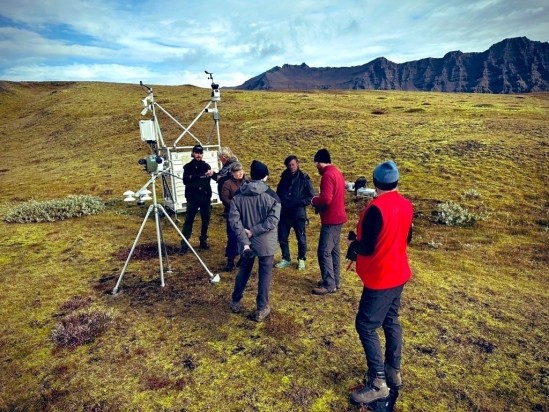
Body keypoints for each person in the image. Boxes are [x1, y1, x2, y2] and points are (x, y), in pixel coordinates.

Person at [347, 160, 413, 407]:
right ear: (395, 182)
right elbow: (407, 237)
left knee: (365, 324)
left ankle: (378, 383)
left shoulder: (376, 209)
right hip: (399, 273)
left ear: (375, 183)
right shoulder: (406, 205)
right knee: (391, 320)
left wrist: (354, 244)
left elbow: (369, 246)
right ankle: (393, 371)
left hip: (381, 277)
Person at [229, 160, 281, 322]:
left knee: (244, 270)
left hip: (247, 244)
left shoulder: (238, 195)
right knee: (265, 274)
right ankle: (261, 308)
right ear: (265, 176)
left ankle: (235, 301)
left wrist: (246, 236)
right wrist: (255, 230)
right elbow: (273, 220)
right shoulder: (272, 196)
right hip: (266, 243)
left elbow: (234, 221)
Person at [310, 148, 347, 295]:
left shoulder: (327, 175)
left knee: (324, 251)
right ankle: (335, 280)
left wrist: (314, 200)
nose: (316, 168)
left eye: (316, 164)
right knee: (334, 251)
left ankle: (329, 284)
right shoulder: (337, 172)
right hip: (338, 218)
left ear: (319, 163)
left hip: (331, 219)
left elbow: (326, 199)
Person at [274, 155, 315, 270]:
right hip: (284, 213)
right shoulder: (284, 178)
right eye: (289, 165)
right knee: (282, 237)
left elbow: (311, 196)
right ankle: (286, 258)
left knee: (301, 238)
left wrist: (299, 202)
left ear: (297, 164)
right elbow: (278, 193)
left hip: (298, 214)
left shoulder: (304, 178)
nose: (291, 167)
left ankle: (301, 259)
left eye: (293, 164)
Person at [180, 144, 213, 254]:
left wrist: (195, 178)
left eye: (200, 153)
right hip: (192, 198)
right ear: (193, 153)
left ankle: (203, 241)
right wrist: (197, 178)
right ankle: (184, 245)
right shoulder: (188, 167)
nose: (199, 155)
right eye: (197, 153)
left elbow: (207, 180)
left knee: (205, 221)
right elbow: (185, 180)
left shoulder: (206, 166)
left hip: (204, 198)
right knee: (188, 221)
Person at [220, 161, 246, 271]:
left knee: (244, 237)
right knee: (232, 237)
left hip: (245, 215)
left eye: (241, 171)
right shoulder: (227, 183)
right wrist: (235, 206)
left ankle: (243, 258)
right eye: (237, 171)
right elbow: (224, 198)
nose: (239, 173)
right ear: (232, 173)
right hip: (232, 214)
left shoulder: (247, 183)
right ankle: (230, 260)